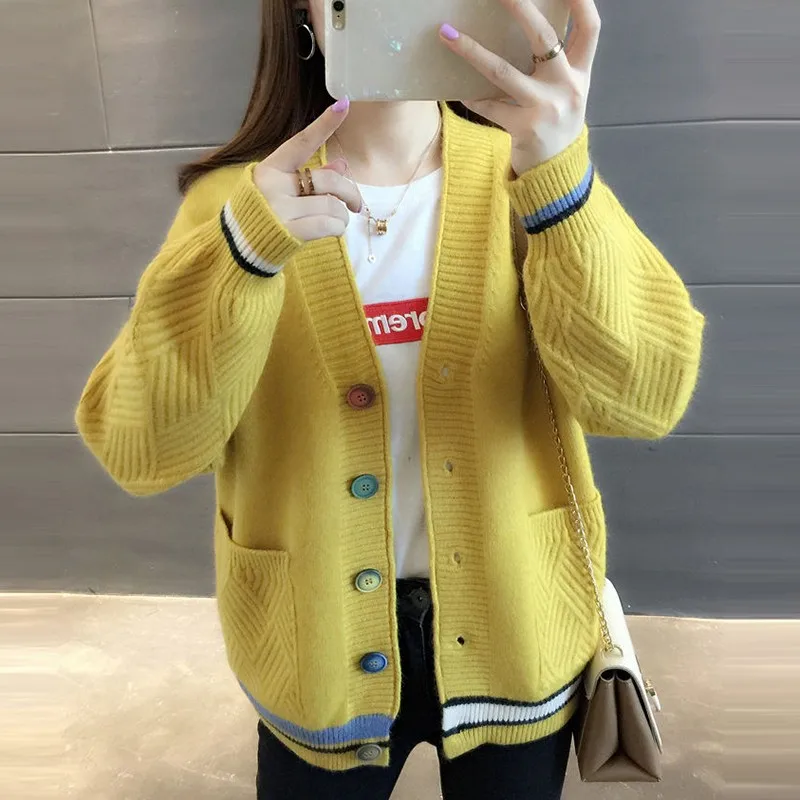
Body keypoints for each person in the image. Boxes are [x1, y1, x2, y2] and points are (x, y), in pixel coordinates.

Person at [74, 0, 704, 797]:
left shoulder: (531, 172)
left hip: (516, 625)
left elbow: (644, 401)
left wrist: (562, 185)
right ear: (303, 13)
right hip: (313, 643)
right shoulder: (236, 206)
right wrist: (242, 256)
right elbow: (141, 451)